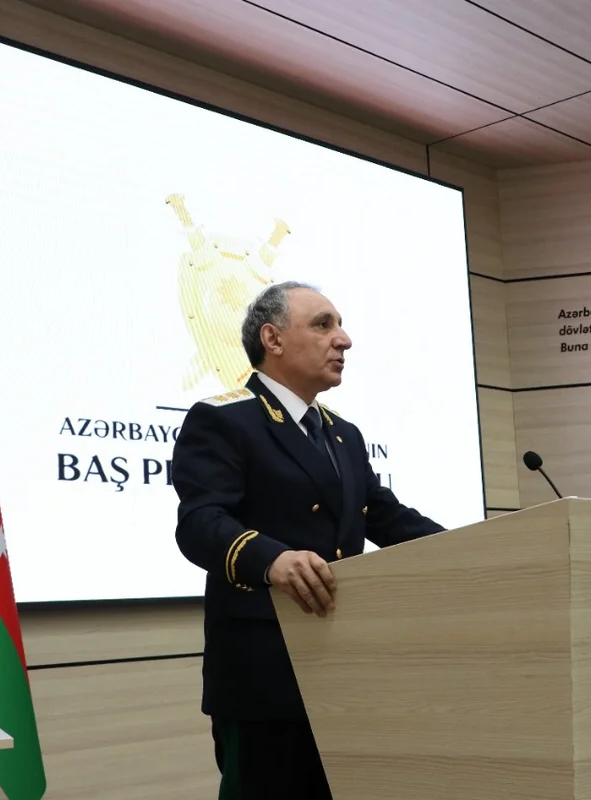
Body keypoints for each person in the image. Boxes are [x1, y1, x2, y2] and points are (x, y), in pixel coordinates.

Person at [169, 280, 445, 799]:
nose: (344, 340)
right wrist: (271, 559)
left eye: (340, 326)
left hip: (342, 666)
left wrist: (481, 546)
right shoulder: (224, 419)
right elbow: (200, 522)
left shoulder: (344, 433)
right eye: (323, 325)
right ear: (272, 339)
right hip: (264, 674)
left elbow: (387, 518)